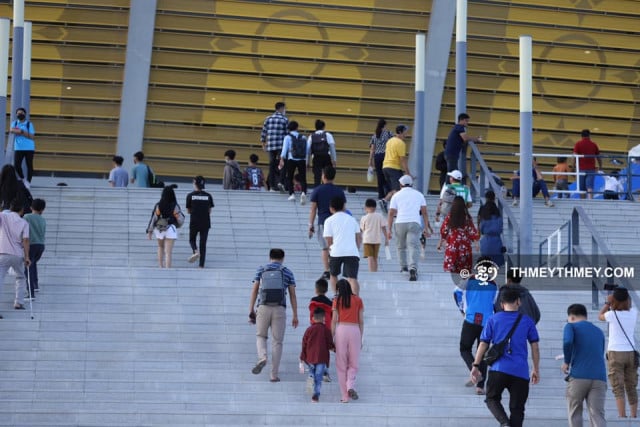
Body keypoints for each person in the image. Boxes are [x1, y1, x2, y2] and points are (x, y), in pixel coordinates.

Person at [470, 287, 540, 427]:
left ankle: (504, 423)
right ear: (519, 302)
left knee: (491, 398)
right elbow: (535, 346)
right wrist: (535, 369)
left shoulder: (493, 319)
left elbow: (483, 344)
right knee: (517, 409)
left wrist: (476, 365)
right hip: (520, 372)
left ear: (502, 304)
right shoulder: (527, 321)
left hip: (498, 369)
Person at [248, 248, 299, 383]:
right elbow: (293, 295)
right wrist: (295, 314)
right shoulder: (287, 272)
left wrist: (251, 309)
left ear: (269, 257)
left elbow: (254, 290)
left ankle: (262, 357)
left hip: (263, 307)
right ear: (282, 258)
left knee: (261, 336)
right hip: (279, 309)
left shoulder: (261, 270)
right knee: (277, 341)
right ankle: (273, 375)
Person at [453, 257, 498, 395]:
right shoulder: (494, 285)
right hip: (487, 322)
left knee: (464, 349)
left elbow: (456, 292)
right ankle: (480, 386)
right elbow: (496, 304)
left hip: (471, 319)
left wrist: (462, 308)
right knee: (483, 353)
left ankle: (475, 371)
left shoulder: (469, 280)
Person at [562, 303, 607, 427]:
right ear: (585, 316)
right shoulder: (599, 332)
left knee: (575, 412)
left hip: (579, 376)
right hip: (599, 378)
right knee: (597, 415)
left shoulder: (570, 326)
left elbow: (567, 342)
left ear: (571, 317)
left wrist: (566, 361)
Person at [598, 287, 638, 419]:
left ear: (614, 300)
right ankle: (634, 416)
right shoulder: (633, 312)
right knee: (631, 386)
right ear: (627, 300)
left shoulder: (612, 315)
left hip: (615, 352)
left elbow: (600, 316)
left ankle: (622, 416)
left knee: (618, 386)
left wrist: (607, 303)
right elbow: (628, 304)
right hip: (630, 353)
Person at [386, 175, 432, 281]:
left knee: (401, 247)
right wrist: (426, 227)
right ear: (411, 184)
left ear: (401, 184)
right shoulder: (419, 195)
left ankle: (404, 267)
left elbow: (391, 213)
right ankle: (413, 267)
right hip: (414, 222)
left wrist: (389, 229)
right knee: (413, 246)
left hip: (400, 222)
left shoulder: (396, 195)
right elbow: (424, 212)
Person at [308, 166, 346, 281]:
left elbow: (313, 209)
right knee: (334, 246)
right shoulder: (339, 191)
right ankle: (335, 269)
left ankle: (327, 270)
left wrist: (310, 225)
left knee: (325, 248)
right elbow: (344, 209)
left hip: (323, 222)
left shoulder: (317, 190)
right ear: (334, 177)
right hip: (338, 222)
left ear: (323, 176)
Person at [332, 278, 364, 403]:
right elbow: (361, 321)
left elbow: (334, 320)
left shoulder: (337, 300)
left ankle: (344, 396)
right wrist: (360, 337)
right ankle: (350, 385)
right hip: (355, 330)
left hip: (341, 330)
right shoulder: (358, 300)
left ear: (338, 289)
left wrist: (332, 336)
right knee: (353, 364)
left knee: (341, 365)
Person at [323, 196, 361, 295]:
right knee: (352, 278)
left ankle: (336, 296)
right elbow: (358, 237)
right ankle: (355, 299)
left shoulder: (329, 220)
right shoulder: (352, 219)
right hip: (352, 252)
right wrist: (356, 248)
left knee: (333, 275)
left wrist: (331, 250)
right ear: (344, 207)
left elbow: (329, 240)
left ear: (331, 208)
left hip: (336, 252)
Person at [0, 197, 31, 313]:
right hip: (17, 254)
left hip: (2, 253)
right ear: (22, 210)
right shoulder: (24, 223)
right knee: (20, 277)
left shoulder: (3, 216)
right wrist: (27, 257)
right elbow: (26, 240)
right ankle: (19, 302)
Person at [300, 307, 335, 403]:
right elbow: (330, 344)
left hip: (310, 357)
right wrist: (335, 349)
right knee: (319, 376)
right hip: (322, 357)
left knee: (312, 371)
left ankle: (311, 377)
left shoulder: (309, 330)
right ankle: (315, 395)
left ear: (313, 319)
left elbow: (304, 344)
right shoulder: (326, 330)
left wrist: (302, 358)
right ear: (324, 318)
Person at [440, 196, 479, 274]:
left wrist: (442, 240)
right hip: (464, 245)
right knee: (464, 269)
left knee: (452, 267)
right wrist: (476, 243)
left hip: (452, 243)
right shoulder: (467, 217)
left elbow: (444, 230)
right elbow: (472, 231)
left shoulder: (450, 216)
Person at [146, 186, 181, 268]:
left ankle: (161, 267)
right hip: (170, 228)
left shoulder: (158, 205)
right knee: (168, 252)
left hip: (159, 228)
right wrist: (177, 225)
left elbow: (153, 218)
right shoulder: (174, 205)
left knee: (160, 247)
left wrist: (149, 231)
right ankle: (168, 269)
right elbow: (180, 218)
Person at [380, 124, 412, 211]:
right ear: (400, 132)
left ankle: (385, 201)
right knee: (399, 190)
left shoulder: (390, 141)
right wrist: (408, 173)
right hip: (393, 168)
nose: (407, 134)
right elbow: (402, 160)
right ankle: (391, 205)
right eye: (405, 132)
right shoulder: (401, 143)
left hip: (385, 167)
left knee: (394, 189)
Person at [185, 176, 214, 268]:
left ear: (194, 183)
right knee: (203, 243)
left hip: (194, 221)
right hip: (205, 222)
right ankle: (201, 265)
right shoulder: (208, 196)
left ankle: (195, 251)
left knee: (192, 239)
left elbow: (188, 211)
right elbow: (210, 211)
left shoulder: (190, 195)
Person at [260, 101, 288, 192]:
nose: (285, 110)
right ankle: (280, 183)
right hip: (281, 146)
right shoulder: (284, 119)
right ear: (281, 108)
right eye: (284, 108)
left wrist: (263, 143)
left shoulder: (268, 118)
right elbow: (287, 134)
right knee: (281, 165)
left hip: (271, 146)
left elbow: (264, 132)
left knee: (271, 165)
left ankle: (272, 186)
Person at [279, 121, 308, 204]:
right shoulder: (303, 137)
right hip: (302, 159)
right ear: (297, 128)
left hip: (291, 159)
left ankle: (292, 194)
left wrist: (282, 159)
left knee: (290, 177)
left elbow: (284, 150)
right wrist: (306, 160)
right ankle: (303, 193)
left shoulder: (287, 137)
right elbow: (306, 150)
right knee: (303, 177)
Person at [23, 198, 46, 299]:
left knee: (28, 268)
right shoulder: (43, 219)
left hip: (31, 245)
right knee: (33, 264)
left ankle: (30, 293)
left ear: (31, 207)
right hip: (40, 245)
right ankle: (35, 284)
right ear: (43, 209)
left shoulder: (27, 217)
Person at [477, 190, 504, 267]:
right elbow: (500, 227)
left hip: (486, 239)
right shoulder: (497, 211)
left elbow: (479, 222)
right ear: (494, 198)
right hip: (497, 239)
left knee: (485, 261)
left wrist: (478, 232)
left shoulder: (482, 209)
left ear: (486, 198)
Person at [359, 198, 387, 272]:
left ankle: (371, 272)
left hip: (367, 239)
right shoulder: (380, 216)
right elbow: (384, 228)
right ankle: (375, 271)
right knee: (375, 257)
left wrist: (359, 238)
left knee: (370, 257)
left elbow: (361, 229)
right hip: (377, 239)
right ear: (375, 207)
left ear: (366, 207)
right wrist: (387, 238)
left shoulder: (364, 218)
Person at [573, 129, 602, 199]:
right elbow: (598, 157)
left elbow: (574, 156)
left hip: (581, 168)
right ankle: (590, 201)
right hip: (591, 169)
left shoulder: (578, 144)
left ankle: (582, 202)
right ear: (589, 136)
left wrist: (573, 166)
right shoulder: (593, 144)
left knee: (582, 188)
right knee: (590, 186)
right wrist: (600, 166)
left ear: (581, 136)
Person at [368, 118, 393, 200]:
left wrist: (370, 160)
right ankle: (389, 192)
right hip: (386, 156)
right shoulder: (389, 134)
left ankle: (381, 194)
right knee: (387, 174)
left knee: (379, 176)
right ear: (384, 125)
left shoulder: (375, 135)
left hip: (377, 157)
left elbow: (372, 149)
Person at [308, 119, 337, 188]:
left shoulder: (311, 136)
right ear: (323, 127)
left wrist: (307, 162)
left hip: (316, 157)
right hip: (326, 156)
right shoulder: (328, 135)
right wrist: (334, 160)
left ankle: (317, 190)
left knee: (317, 176)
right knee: (327, 175)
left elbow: (308, 151)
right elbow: (332, 148)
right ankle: (327, 189)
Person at [10, 107, 36, 185]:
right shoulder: (14, 123)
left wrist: (21, 131)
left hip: (29, 148)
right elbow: (11, 130)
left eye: (21, 113)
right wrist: (24, 133)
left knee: (29, 165)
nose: (19, 114)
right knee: (17, 165)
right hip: (18, 148)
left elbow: (31, 136)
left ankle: (28, 182)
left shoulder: (29, 124)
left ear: (25, 114)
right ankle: (23, 179)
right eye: (18, 113)